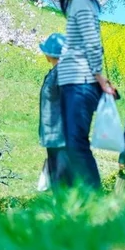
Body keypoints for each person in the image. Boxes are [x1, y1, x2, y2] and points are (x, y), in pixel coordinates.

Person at [54, 0, 117, 190]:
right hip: (75, 82)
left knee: (76, 143)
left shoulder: (80, 1)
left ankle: (94, 199)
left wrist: (100, 79)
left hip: (81, 82)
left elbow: (92, 42)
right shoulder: (79, 2)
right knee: (71, 143)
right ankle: (76, 200)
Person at [38, 33, 70, 188]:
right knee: (57, 182)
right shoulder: (55, 72)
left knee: (61, 183)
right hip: (54, 136)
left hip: (62, 138)